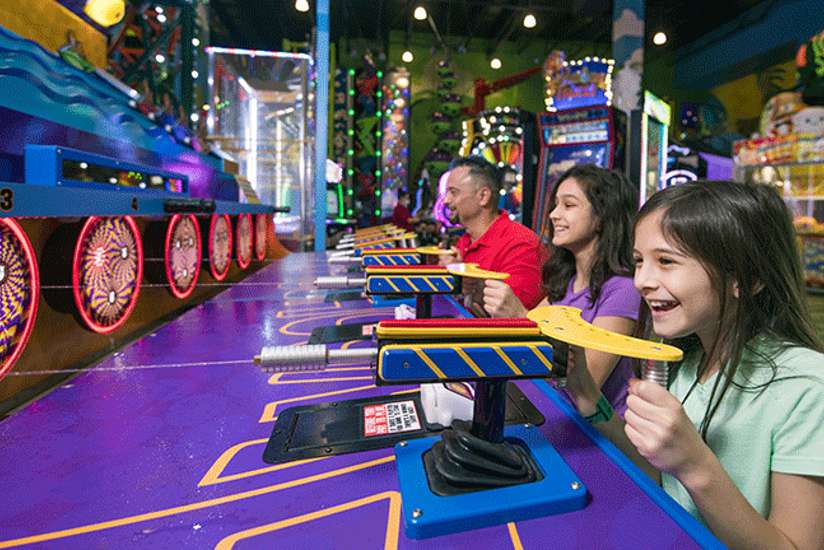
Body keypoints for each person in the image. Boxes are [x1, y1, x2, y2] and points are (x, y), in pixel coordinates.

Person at [567, 181, 824, 550]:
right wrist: (593, 402)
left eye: (666, 261)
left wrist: (695, 464)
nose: (642, 281)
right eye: (640, 261)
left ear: (746, 279)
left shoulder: (808, 386)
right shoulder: (685, 361)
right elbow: (659, 478)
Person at [483, 164, 641, 414]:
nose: (554, 214)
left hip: (597, 436)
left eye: (568, 205)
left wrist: (520, 317)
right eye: (555, 205)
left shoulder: (623, 289)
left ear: (601, 216)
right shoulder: (566, 281)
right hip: (549, 410)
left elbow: (584, 386)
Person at [439, 156, 546, 311]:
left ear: (483, 196)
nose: (446, 200)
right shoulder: (464, 241)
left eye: (453, 192)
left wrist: (463, 283)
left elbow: (513, 318)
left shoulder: (521, 244)